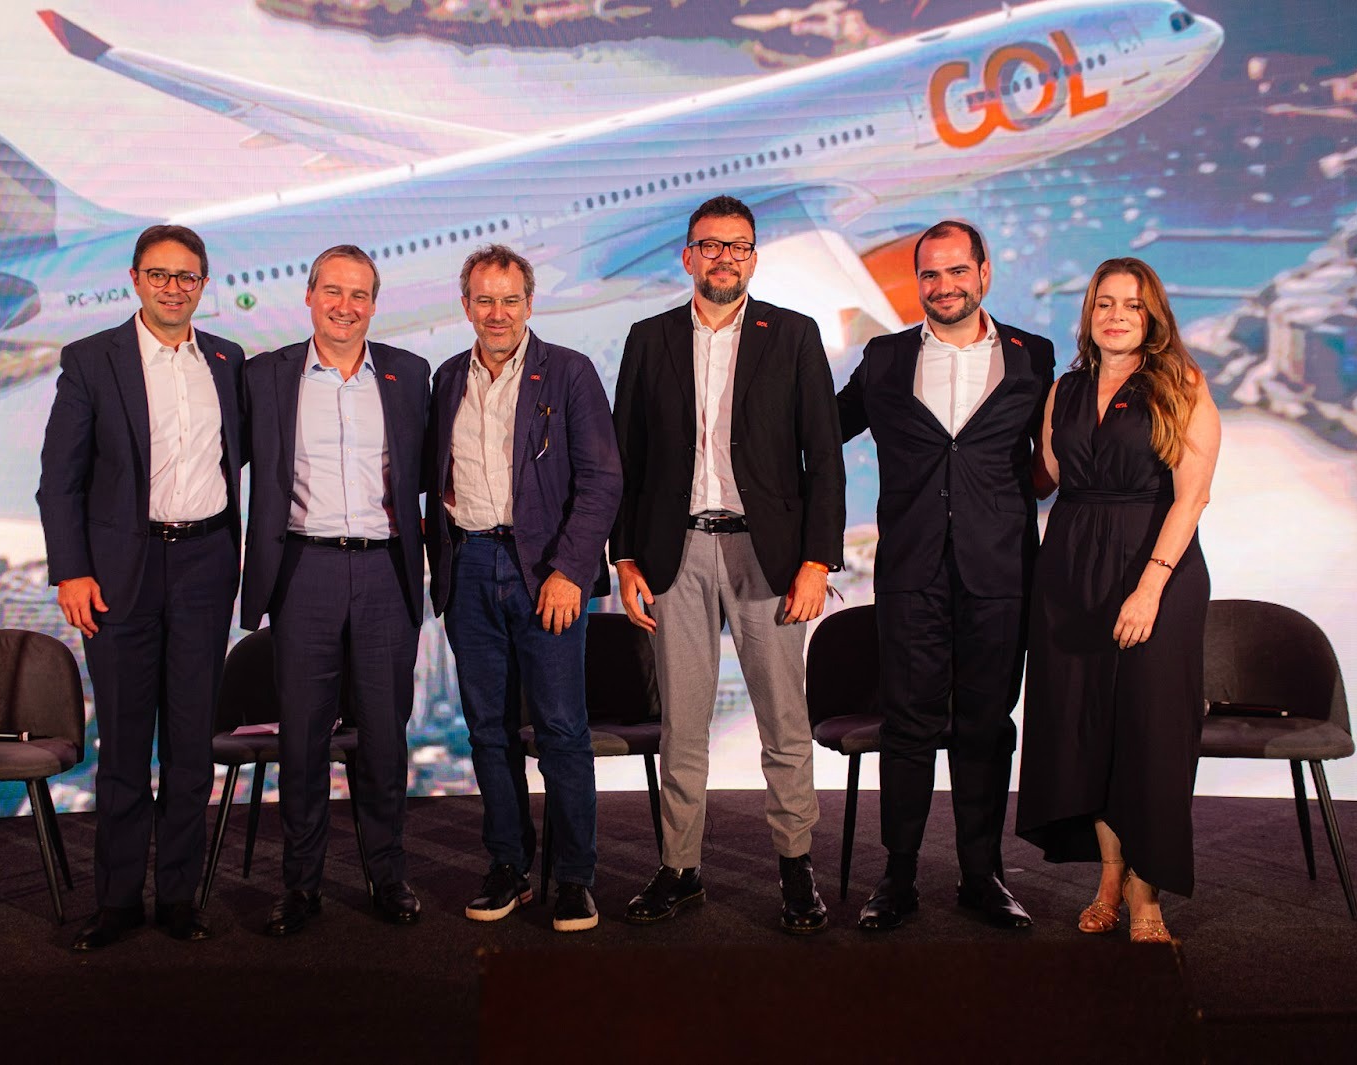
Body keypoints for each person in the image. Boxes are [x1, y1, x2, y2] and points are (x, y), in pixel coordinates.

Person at [612, 196, 844, 934]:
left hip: (767, 555)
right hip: (673, 551)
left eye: (738, 246)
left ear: (754, 257)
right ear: (688, 256)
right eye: (710, 246)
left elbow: (824, 456)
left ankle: (796, 867)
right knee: (682, 726)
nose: (724, 258)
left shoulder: (794, 334)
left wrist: (817, 560)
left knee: (784, 721)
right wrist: (624, 556)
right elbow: (625, 458)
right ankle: (679, 869)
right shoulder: (648, 338)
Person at [836, 219, 1054, 932]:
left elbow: (1056, 453)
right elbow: (821, 429)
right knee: (907, 724)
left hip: (1002, 572)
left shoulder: (1033, 356)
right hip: (912, 571)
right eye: (930, 273)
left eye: (958, 271)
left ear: (984, 273)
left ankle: (982, 875)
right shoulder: (885, 357)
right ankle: (897, 875)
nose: (944, 285)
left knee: (987, 727)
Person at [37, 224, 244, 950]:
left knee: (190, 745)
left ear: (202, 284)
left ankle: (180, 897)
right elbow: (59, 481)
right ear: (134, 279)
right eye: (159, 275)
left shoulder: (227, 360)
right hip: (118, 576)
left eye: (186, 277)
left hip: (204, 567)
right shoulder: (92, 359)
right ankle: (119, 902)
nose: (173, 288)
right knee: (125, 746)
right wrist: (70, 570)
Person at [1016, 257, 1219, 943]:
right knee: (1087, 732)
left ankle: (1146, 893)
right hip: (1071, 573)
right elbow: (1043, 475)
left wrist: (1150, 587)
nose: (1116, 316)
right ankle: (1108, 879)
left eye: (1131, 305)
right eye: (1104, 303)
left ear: (1152, 315)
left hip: (1155, 570)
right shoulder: (1065, 389)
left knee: (1150, 734)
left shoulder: (1181, 384)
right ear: (1089, 313)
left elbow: (1192, 497)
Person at [426, 244, 621, 933]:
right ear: (466, 306)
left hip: (545, 572)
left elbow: (602, 481)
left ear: (530, 304)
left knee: (562, 730)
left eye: (510, 300)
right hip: (470, 566)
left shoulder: (568, 372)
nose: (498, 313)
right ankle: (508, 865)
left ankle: (573, 877)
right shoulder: (447, 378)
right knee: (487, 730)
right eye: (485, 300)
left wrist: (570, 571)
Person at [240, 245, 431, 934]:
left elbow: (432, 472)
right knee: (302, 741)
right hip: (304, 571)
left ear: (374, 304)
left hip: (385, 572)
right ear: (310, 295)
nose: (345, 306)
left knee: (383, 737)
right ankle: (301, 885)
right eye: (333, 291)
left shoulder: (409, 374)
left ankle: (388, 876)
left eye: (359, 294)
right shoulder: (266, 375)